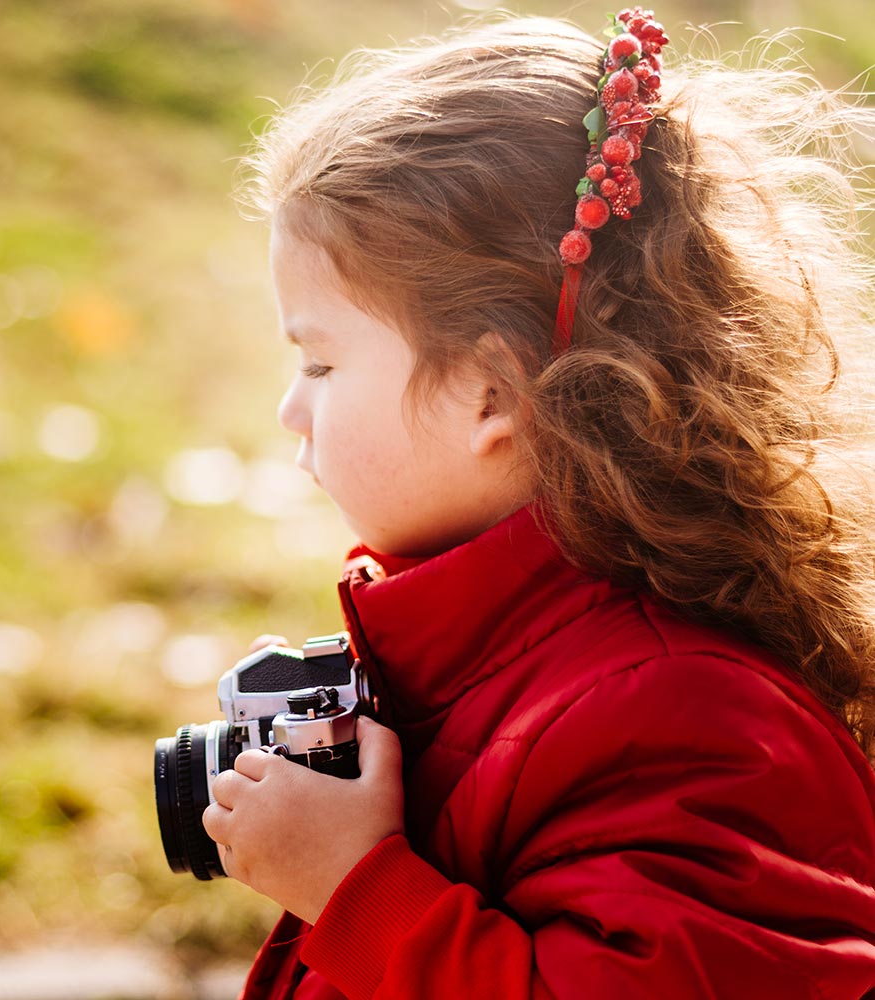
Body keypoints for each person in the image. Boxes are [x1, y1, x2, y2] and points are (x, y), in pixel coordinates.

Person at [199, 8, 875, 998]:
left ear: (495, 392)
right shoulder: (488, 655)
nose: (290, 407)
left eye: (322, 360)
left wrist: (355, 889)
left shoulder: (687, 720)